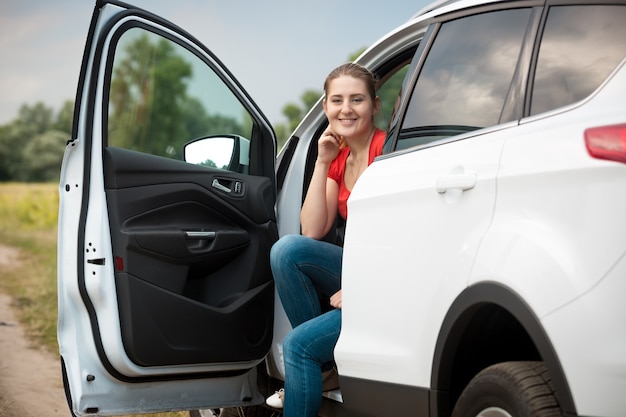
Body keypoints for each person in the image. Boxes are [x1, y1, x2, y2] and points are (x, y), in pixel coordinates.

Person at [266, 62, 385, 416]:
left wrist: (359, 285)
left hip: (387, 275)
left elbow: (398, 239)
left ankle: (315, 363)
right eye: (337, 100)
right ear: (325, 107)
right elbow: (313, 230)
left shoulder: (387, 151)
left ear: (375, 106)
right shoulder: (339, 157)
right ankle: (325, 368)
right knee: (286, 250)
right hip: (356, 270)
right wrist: (322, 161)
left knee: (299, 346)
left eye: (357, 99)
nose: (346, 109)